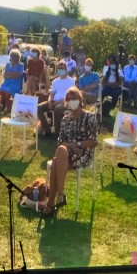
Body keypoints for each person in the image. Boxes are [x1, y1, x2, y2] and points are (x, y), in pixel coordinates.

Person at [41, 86, 99, 216]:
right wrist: (69, 146)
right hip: (66, 153)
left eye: (74, 98)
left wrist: (76, 144)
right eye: (69, 99)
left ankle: (51, 203)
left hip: (83, 153)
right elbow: (61, 142)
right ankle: (60, 194)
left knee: (56, 162)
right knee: (61, 150)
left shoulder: (90, 117)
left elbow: (93, 141)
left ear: (80, 99)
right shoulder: (65, 119)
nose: (72, 101)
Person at [39, 63, 75, 138]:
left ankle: (57, 132)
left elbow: (71, 95)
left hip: (66, 102)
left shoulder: (71, 81)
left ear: (66, 69)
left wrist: (58, 102)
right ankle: (47, 130)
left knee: (57, 109)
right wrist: (49, 101)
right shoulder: (55, 81)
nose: (60, 70)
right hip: (54, 101)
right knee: (39, 108)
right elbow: (52, 93)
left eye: (62, 68)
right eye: (59, 68)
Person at [0, 48, 24, 113]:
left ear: (18, 57)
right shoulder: (8, 64)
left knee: (7, 92)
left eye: (14, 56)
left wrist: (9, 75)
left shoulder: (21, 65)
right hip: (7, 82)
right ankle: (3, 105)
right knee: (0, 90)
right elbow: (5, 75)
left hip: (15, 83)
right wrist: (9, 75)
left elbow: (18, 75)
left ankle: (8, 108)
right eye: (11, 56)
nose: (13, 58)